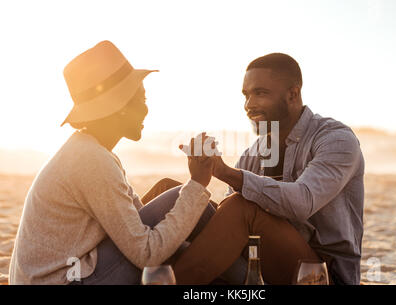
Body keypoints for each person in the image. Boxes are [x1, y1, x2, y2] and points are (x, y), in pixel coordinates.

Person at [8, 41, 217, 284]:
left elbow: (137, 224)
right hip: (65, 280)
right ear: (119, 108)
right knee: (183, 200)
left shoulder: (89, 150)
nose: (147, 109)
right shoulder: (91, 161)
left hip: (69, 272)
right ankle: (252, 276)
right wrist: (199, 181)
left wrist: (192, 192)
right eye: (141, 99)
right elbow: (148, 255)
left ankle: (245, 275)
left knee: (181, 211)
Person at [171, 53, 365, 285]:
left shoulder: (336, 140)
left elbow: (302, 202)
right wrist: (201, 174)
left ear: (292, 94)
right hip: (260, 268)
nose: (249, 105)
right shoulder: (255, 152)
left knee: (242, 208)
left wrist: (225, 173)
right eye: (246, 95)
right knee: (172, 193)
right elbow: (226, 218)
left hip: (319, 275)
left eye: (260, 93)